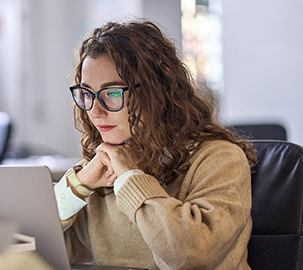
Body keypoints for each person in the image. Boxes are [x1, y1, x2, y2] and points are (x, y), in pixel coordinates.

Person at [53, 20, 256, 270]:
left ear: (155, 93)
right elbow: (30, 250)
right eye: (87, 94)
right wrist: (78, 186)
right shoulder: (100, 168)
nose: (94, 111)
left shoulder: (220, 159)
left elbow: (188, 256)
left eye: (112, 93)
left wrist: (131, 177)